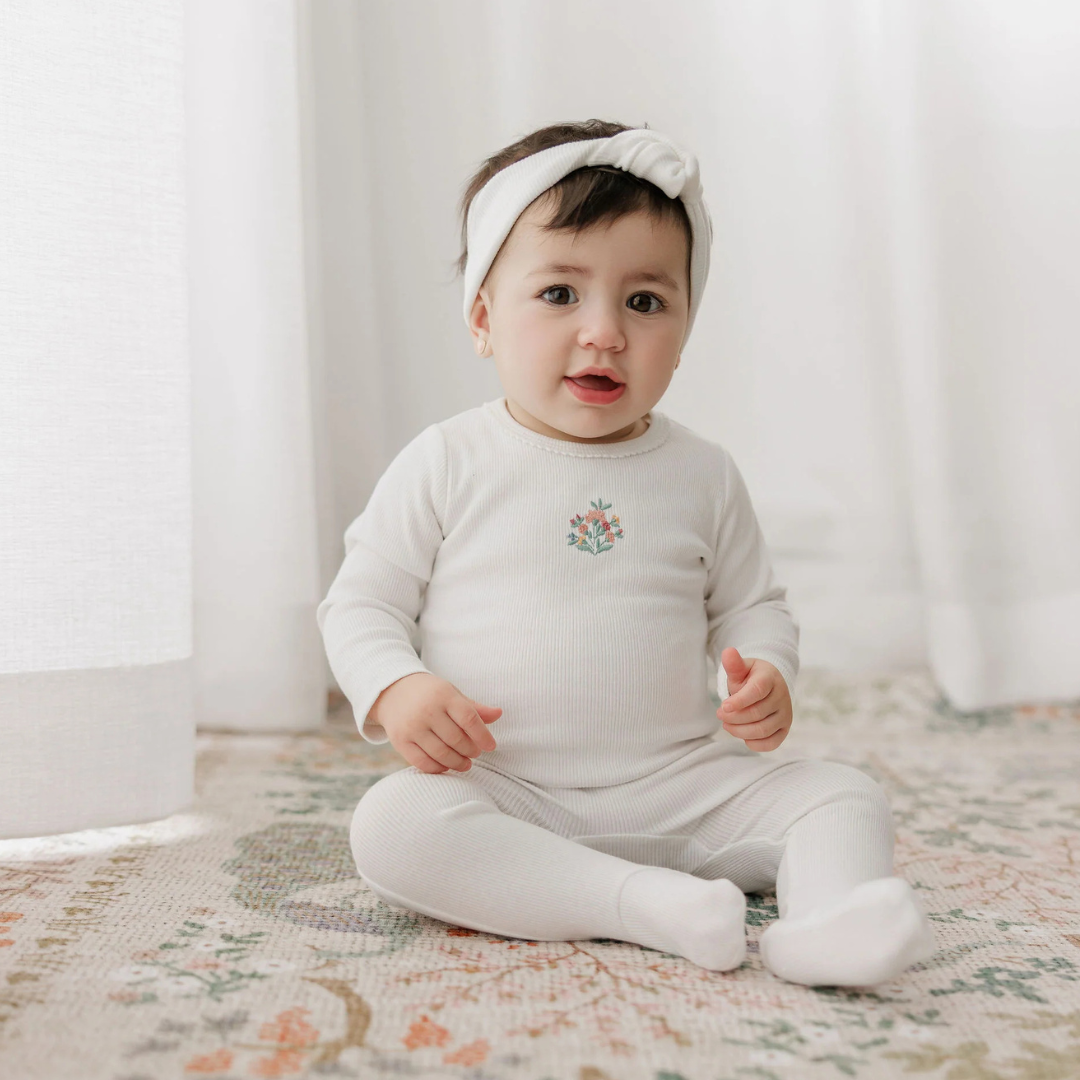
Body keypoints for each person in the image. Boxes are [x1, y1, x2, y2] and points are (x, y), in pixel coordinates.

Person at [316, 119, 936, 986]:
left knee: (841, 794)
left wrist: (765, 670)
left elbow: (753, 603)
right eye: (561, 294)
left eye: (645, 302)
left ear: (684, 329)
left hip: (682, 781)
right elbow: (363, 602)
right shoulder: (448, 460)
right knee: (393, 827)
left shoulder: (702, 474)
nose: (604, 331)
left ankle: (831, 922)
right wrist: (397, 685)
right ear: (485, 319)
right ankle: (649, 903)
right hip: (506, 787)